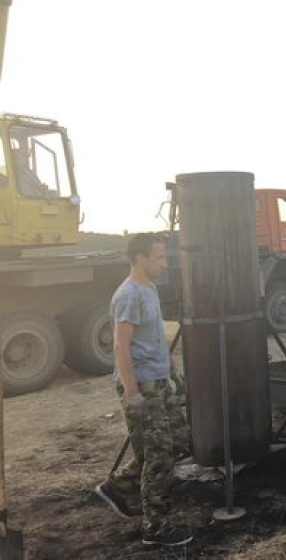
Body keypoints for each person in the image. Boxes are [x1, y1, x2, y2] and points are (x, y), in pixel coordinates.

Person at [94, 233, 192, 547]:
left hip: (159, 380)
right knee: (158, 455)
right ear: (140, 258)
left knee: (178, 442)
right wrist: (132, 393)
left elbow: (157, 337)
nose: (165, 264)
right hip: (142, 385)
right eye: (159, 258)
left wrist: (173, 372)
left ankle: (119, 486)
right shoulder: (128, 295)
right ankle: (156, 529)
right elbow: (121, 347)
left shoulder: (150, 289)